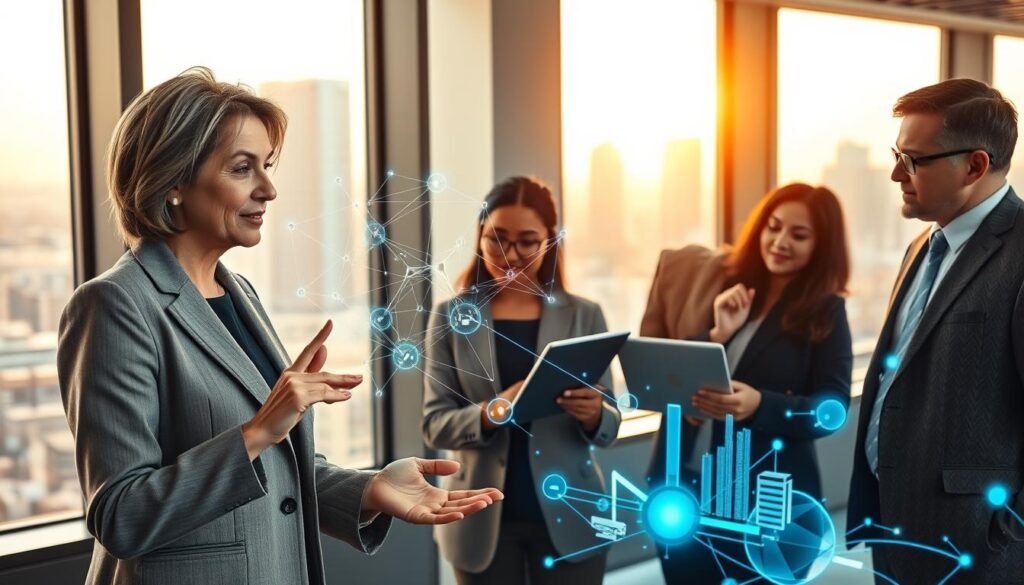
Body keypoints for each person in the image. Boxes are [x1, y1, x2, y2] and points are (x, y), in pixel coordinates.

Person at [56, 67, 502, 585]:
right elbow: (121, 515)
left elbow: (274, 462)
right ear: (172, 180)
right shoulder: (113, 305)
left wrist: (368, 488)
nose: (269, 189)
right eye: (242, 168)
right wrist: (255, 431)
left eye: (266, 166)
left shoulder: (237, 293)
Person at [847, 78, 1024, 583]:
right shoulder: (921, 247)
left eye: (914, 160)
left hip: (977, 547)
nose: (895, 173)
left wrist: (1007, 530)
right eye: (896, 154)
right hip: (895, 528)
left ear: (975, 165)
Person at [640, 183, 853, 583]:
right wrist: (718, 333)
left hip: (761, 503)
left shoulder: (826, 311)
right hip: (684, 484)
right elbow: (673, 374)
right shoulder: (730, 288)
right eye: (773, 227)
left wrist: (761, 405)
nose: (779, 241)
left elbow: (832, 411)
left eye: (799, 235)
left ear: (821, 247)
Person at [422, 176, 621, 584]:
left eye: (527, 241)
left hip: (574, 510)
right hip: (479, 515)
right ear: (479, 236)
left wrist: (593, 414)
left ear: (549, 242)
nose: (510, 255)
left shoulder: (585, 315)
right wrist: (493, 410)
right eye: (497, 239)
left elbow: (611, 425)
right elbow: (434, 423)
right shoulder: (450, 316)